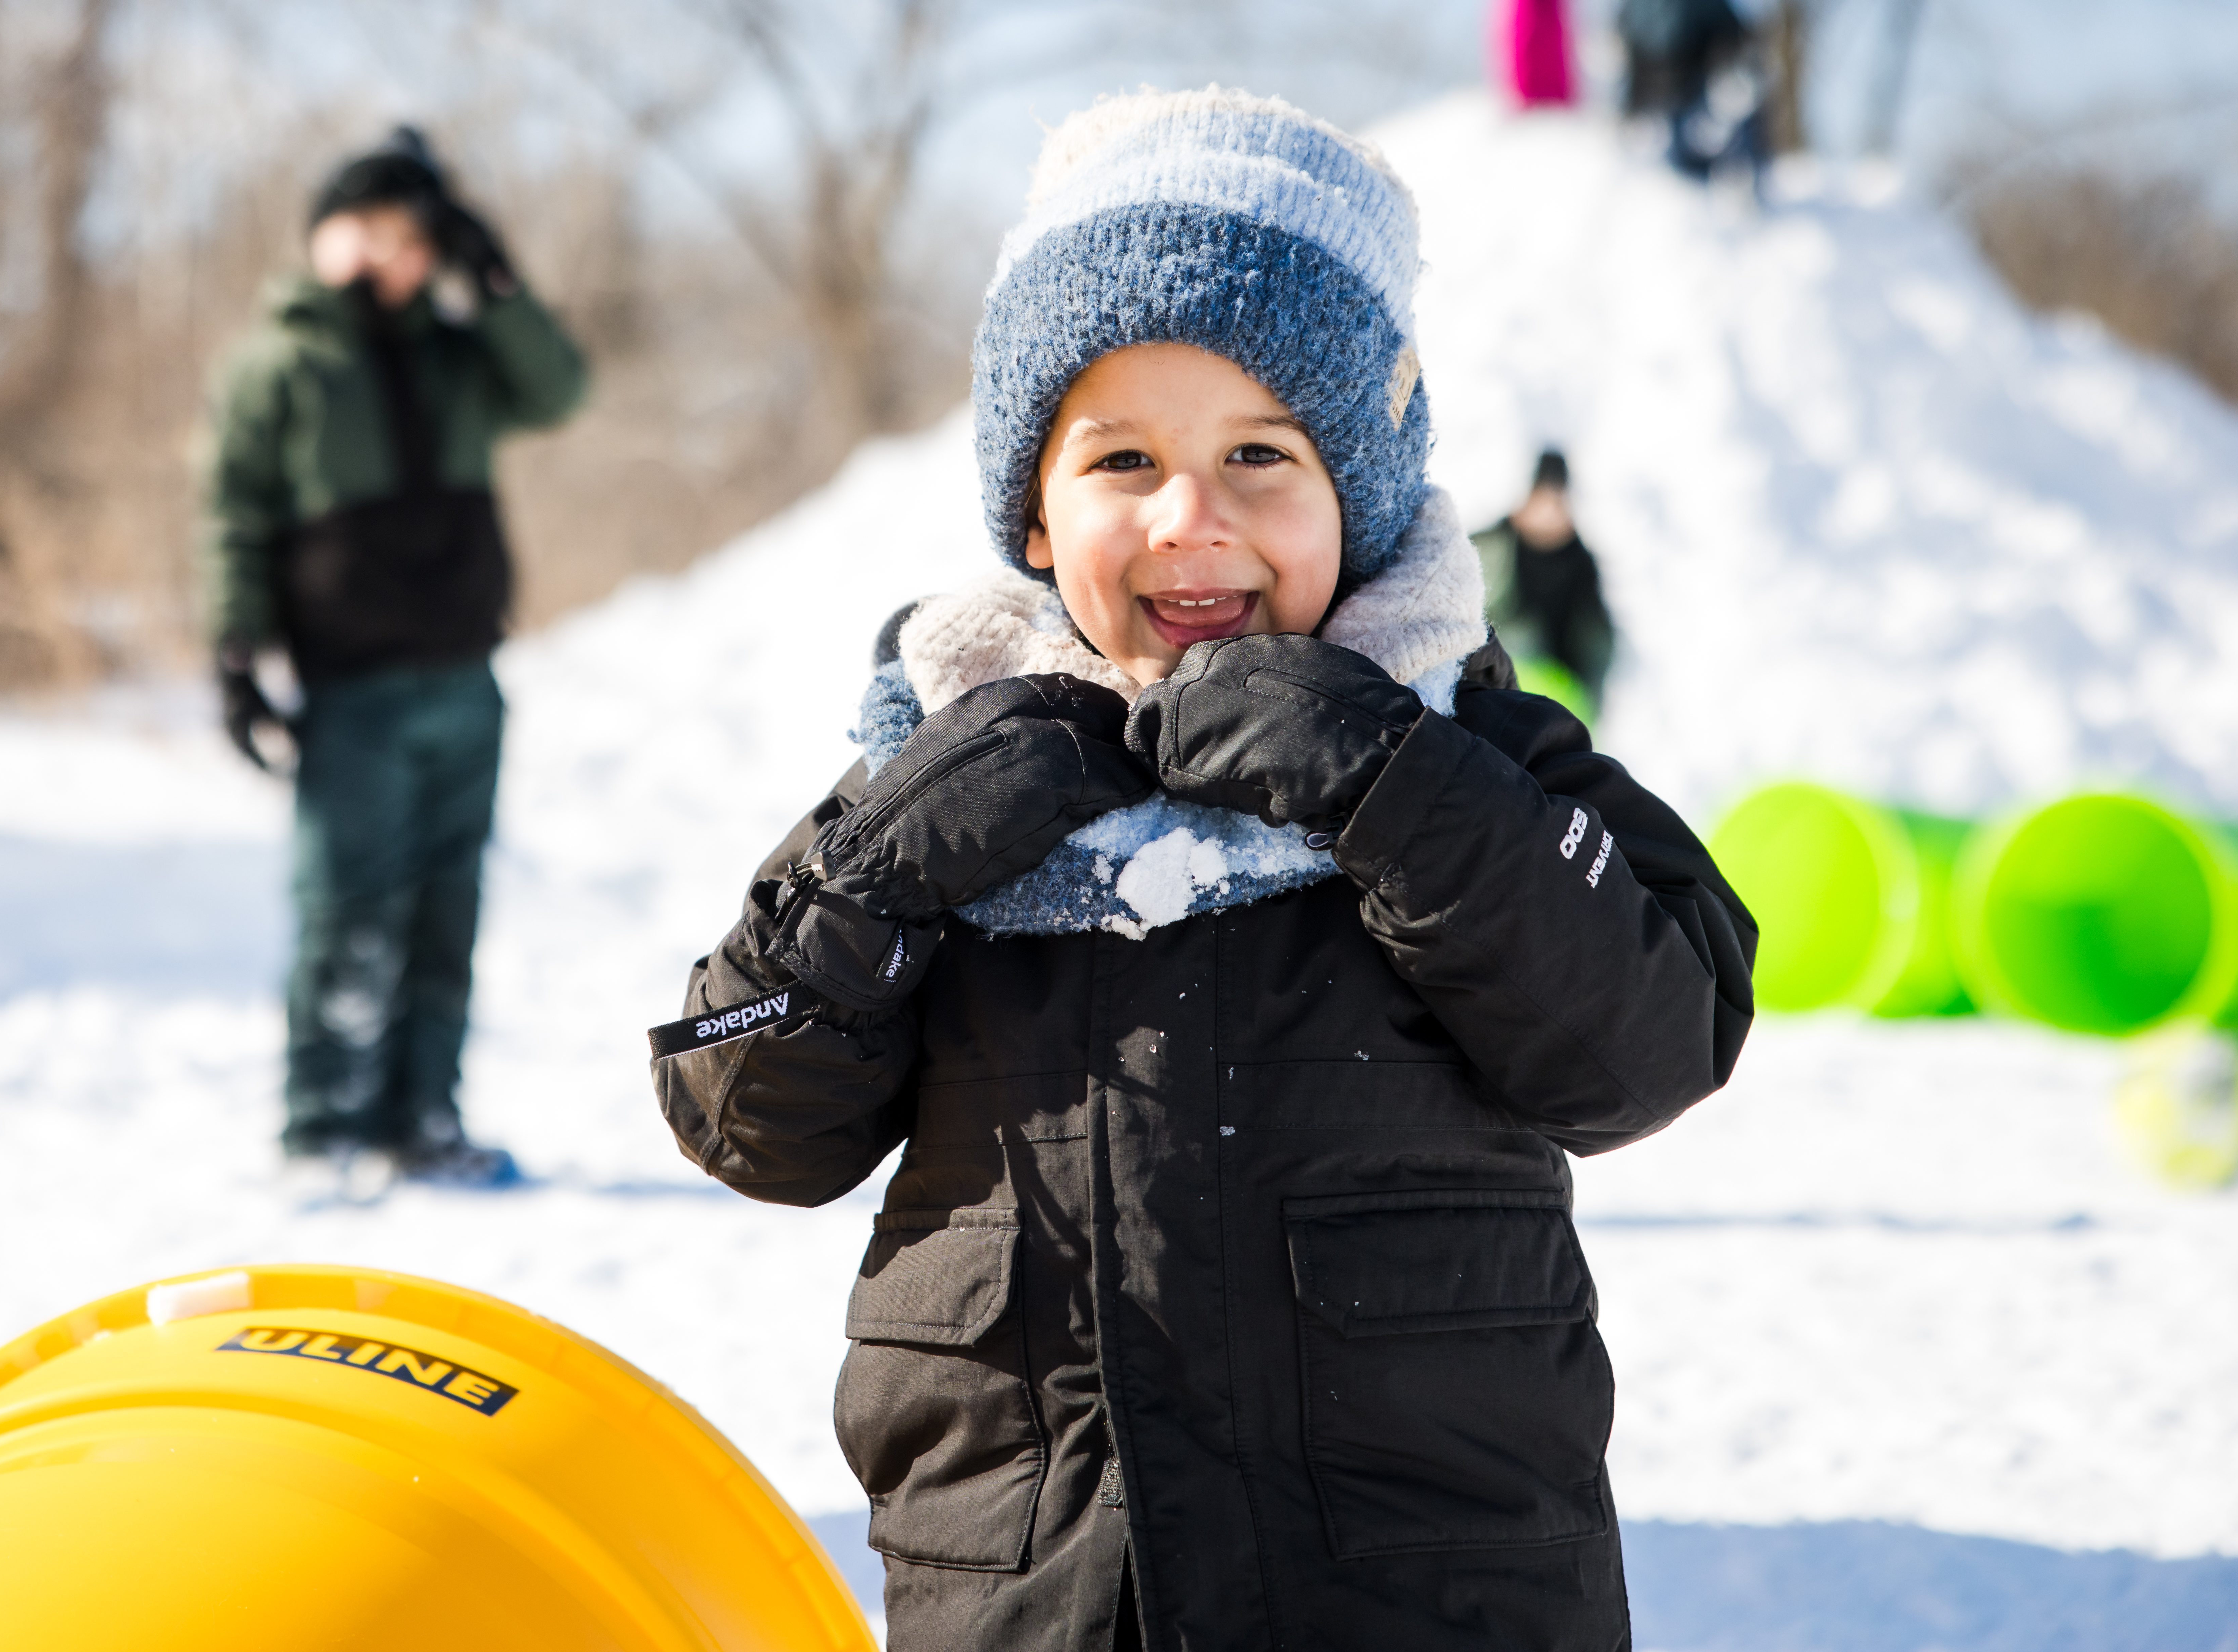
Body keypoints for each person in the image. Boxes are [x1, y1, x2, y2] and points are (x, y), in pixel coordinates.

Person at [649, 90, 1755, 1650]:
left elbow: (1652, 1039)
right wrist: (887, 867)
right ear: (1035, 512)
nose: (1191, 521)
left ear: (1355, 496)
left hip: (1420, 1598)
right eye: (1120, 460)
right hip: (1039, 1598)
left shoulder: (1464, 742)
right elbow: (745, 1118)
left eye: (1259, 453)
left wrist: (1388, 779)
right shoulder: (939, 765)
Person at [203, 130, 586, 1188]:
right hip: (354, 690)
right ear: (319, 238)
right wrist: (236, 651)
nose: (389, 259)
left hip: (466, 680)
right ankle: (321, 1128)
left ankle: (422, 1117)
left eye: (412, 239)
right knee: (347, 909)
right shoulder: (278, 366)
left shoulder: (458, 354)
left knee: (443, 905)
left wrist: (495, 276)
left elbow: (558, 390)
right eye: (364, 233)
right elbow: (233, 516)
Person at [1617, 0, 1763, 184]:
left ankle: (1740, 180)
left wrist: (1735, 55)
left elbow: (1731, 28)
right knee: (1667, 167)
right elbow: (1628, 36)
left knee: (1722, 128)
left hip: (1697, 87)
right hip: (1652, 91)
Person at [1475, 448, 1616, 715]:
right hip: (1487, 682)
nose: (1548, 512)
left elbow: (1598, 642)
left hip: (1556, 696)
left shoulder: (1582, 563)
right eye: (1542, 497)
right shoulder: (1488, 545)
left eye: (1556, 500)